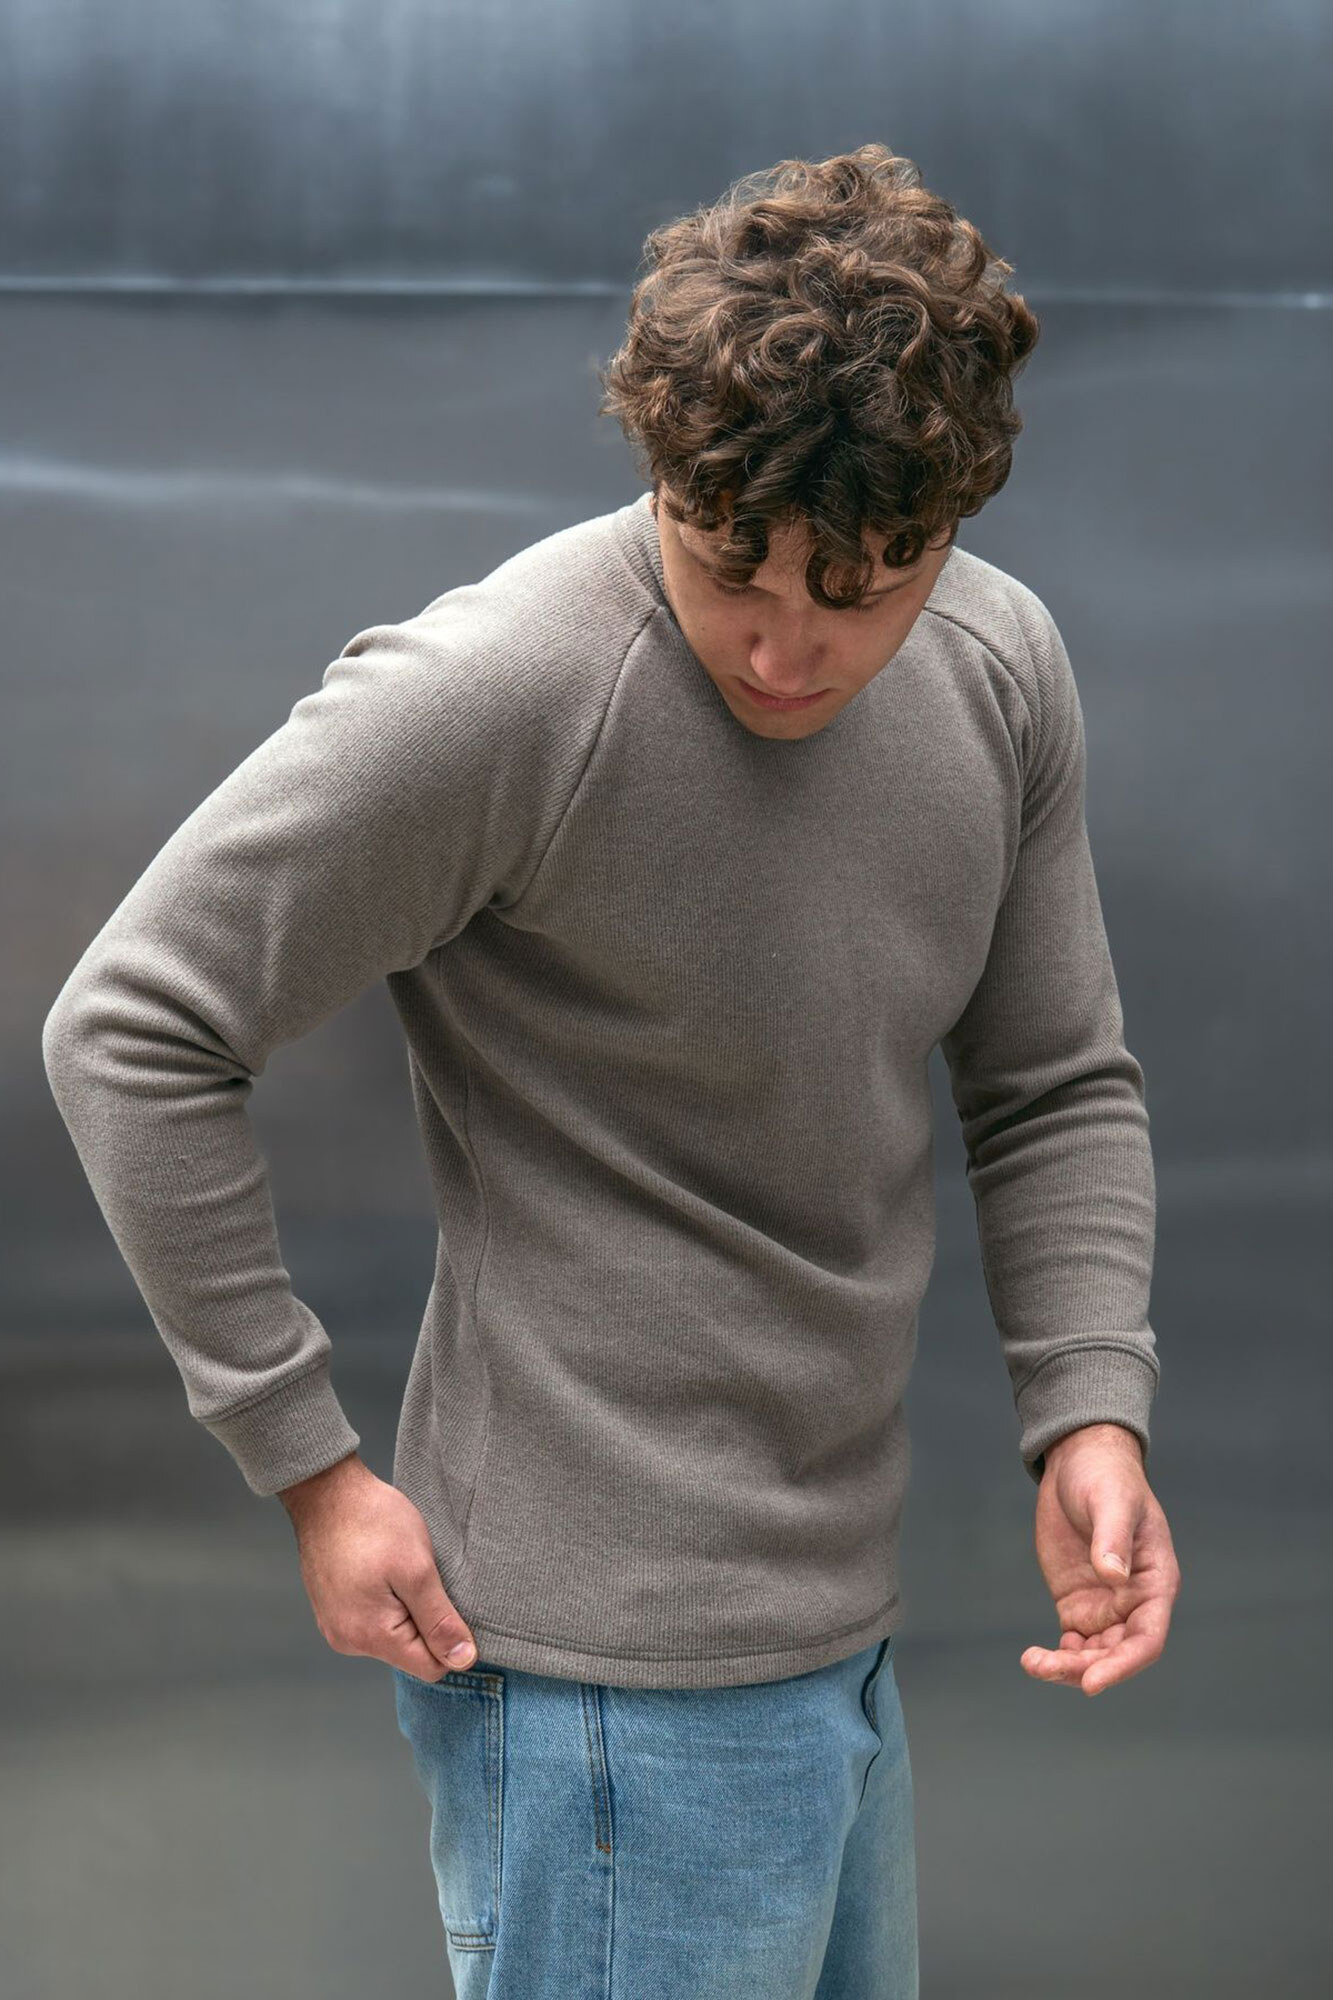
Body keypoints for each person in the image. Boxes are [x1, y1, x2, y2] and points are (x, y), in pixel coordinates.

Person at [41, 143, 1181, 1998]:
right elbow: (131, 1027)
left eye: (862, 585)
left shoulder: (997, 665)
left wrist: (1088, 1406)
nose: (785, 645)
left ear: (950, 523)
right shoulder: (504, 689)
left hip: (836, 1632)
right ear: (665, 473)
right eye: (731, 567)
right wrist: (309, 1468)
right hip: (592, 1689)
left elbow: (1050, 1078)